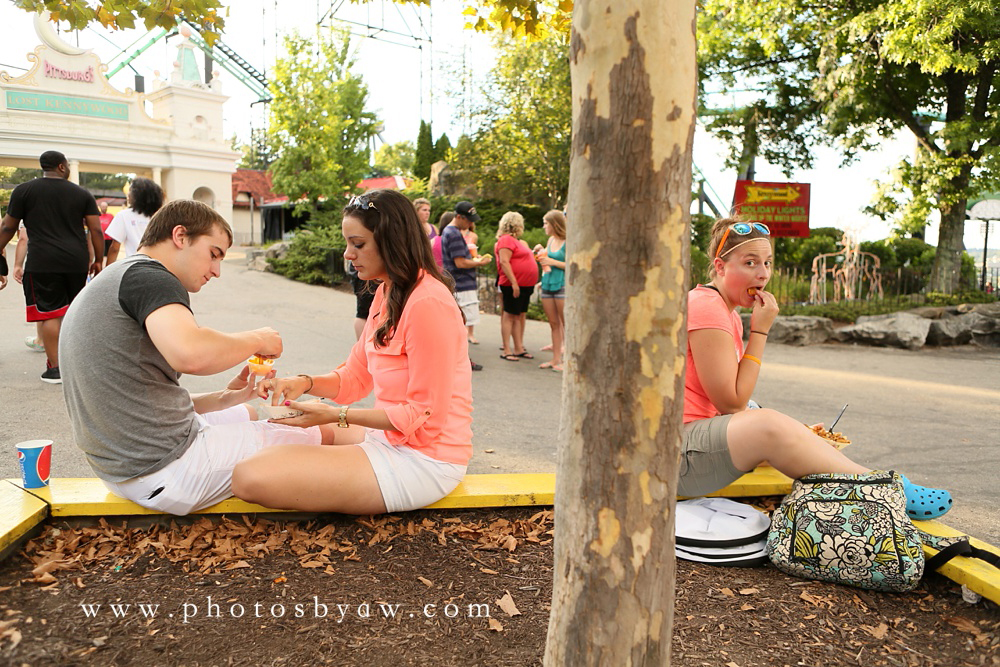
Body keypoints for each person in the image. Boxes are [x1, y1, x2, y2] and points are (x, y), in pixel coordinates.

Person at [680, 217, 953, 520]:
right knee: (765, 423)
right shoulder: (707, 306)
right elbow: (731, 403)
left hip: (694, 443)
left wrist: (798, 436)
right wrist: (759, 332)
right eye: (750, 263)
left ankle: (875, 489)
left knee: (767, 419)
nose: (762, 273)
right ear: (720, 266)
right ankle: (888, 487)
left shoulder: (724, 311)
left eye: (768, 263)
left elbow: (730, 404)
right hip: (677, 455)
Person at [59, 199, 314, 516]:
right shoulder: (152, 277)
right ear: (180, 236)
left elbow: (139, 396)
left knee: (247, 410)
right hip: (165, 469)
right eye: (214, 254)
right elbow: (190, 354)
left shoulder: (117, 277)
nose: (217, 271)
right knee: (314, 430)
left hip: (121, 468)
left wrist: (226, 397)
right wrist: (258, 339)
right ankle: (387, 460)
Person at [234, 189, 473, 514]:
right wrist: (302, 383)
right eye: (348, 243)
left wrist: (336, 415)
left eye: (357, 244)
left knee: (250, 475)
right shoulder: (386, 292)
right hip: (388, 439)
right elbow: (355, 379)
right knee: (273, 430)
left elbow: (425, 417)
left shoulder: (429, 303)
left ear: (392, 240)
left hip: (426, 459)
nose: (348, 254)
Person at [0, 150, 103, 384]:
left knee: (49, 313)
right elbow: (96, 230)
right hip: (76, 262)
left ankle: (55, 369)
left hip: (42, 262)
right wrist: (98, 260)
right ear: (61, 166)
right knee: (73, 311)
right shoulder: (81, 193)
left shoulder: (24, 191)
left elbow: (8, 227)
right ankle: (75, 364)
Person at [441, 201, 491, 368]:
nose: (471, 224)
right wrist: (480, 263)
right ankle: (462, 360)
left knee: (459, 324)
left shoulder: (449, 231)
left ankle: (459, 359)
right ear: (459, 217)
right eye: (468, 220)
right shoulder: (454, 233)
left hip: (458, 283)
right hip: (462, 284)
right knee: (462, 325)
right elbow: (460, 263)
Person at [494, 211, 539, 362]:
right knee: (509, 315)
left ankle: (519, 347)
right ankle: (507, 349)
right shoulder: (506, 240)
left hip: (525, 284)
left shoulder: (517, 241)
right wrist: (514, 282)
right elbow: (504, 262)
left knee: (518, 316)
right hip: (513, 284)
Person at [534, 210, 567, 371]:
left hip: (562, 285)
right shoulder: (549, 240)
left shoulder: (568, 241)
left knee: (567, 324)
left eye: (546, 223)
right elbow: (546, 263)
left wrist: (552, 261)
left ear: (555, 224)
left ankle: (568, 361)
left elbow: (571, 264)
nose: (544, 226)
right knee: (554, 324)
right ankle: (555, 359)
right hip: (547, 284)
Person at [105, 178, 165, 264]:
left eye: (130, 190)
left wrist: (108, 272)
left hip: (134, 266)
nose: (128, 194)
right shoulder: (161, 215)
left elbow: (114, 248)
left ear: (137, 195)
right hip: (159, 265)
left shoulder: (124, 215)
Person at [98, 200, 115, 265]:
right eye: (103, 206)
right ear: (100, 207)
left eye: (105, 206)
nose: (104, 208)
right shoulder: (98, 216)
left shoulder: (110, 216)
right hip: (101, 239)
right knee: (102, 255)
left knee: (108, 255)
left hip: (109, 238)